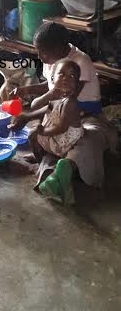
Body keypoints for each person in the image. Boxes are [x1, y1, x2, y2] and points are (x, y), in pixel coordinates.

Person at [9, 22, 118, 204]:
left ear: (60, 49)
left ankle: (63, 168)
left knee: (88, 139)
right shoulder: (53, 60)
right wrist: (24, 91)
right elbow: (49, 86)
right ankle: (58, 169)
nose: (39, 57)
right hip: (59, 112)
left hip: (86, 116)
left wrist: (28, 116)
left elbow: (64, 104)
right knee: (39, 131)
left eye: (42, 52)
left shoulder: (78, 63)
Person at [27, 60, 84, 204]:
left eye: (72, 77)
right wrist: (49, 95)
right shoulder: (54, 96)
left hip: (66, 140)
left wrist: (43, 131)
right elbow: (34, 106)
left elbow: (62, 128)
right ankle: (42, 161)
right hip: (55, 135)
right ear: (53, 79)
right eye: (61, 74)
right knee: (33, 133)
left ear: (77, 84)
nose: (66, 78)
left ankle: (55, 167)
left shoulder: (70, 102)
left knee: (34, 134)